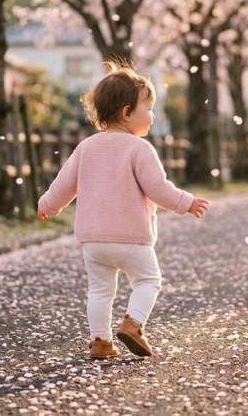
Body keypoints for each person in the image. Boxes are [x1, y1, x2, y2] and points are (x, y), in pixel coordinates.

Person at [36, 62, 210, 360]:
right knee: (148, 281)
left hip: (94, 241)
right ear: (127, 112)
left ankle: (100, 342)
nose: (152, 115)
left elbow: (64, 185)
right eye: (148, 107)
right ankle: (133, 324)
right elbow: (158, 189)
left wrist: (48, 205)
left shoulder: (86, 147)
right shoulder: (139, 149)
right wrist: (186, 202)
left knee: (100, 291)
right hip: (132, 238)